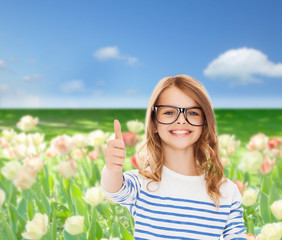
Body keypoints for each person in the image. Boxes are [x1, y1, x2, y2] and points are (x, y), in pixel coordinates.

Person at [101, 75, 247, 240]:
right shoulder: (142, 184)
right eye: (169, 112)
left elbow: (236, 236)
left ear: (204, 123)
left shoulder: (226, 191)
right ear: (154, 123)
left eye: (192, 113)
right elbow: (113, 190)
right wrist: (112, 168)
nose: (181, 120)